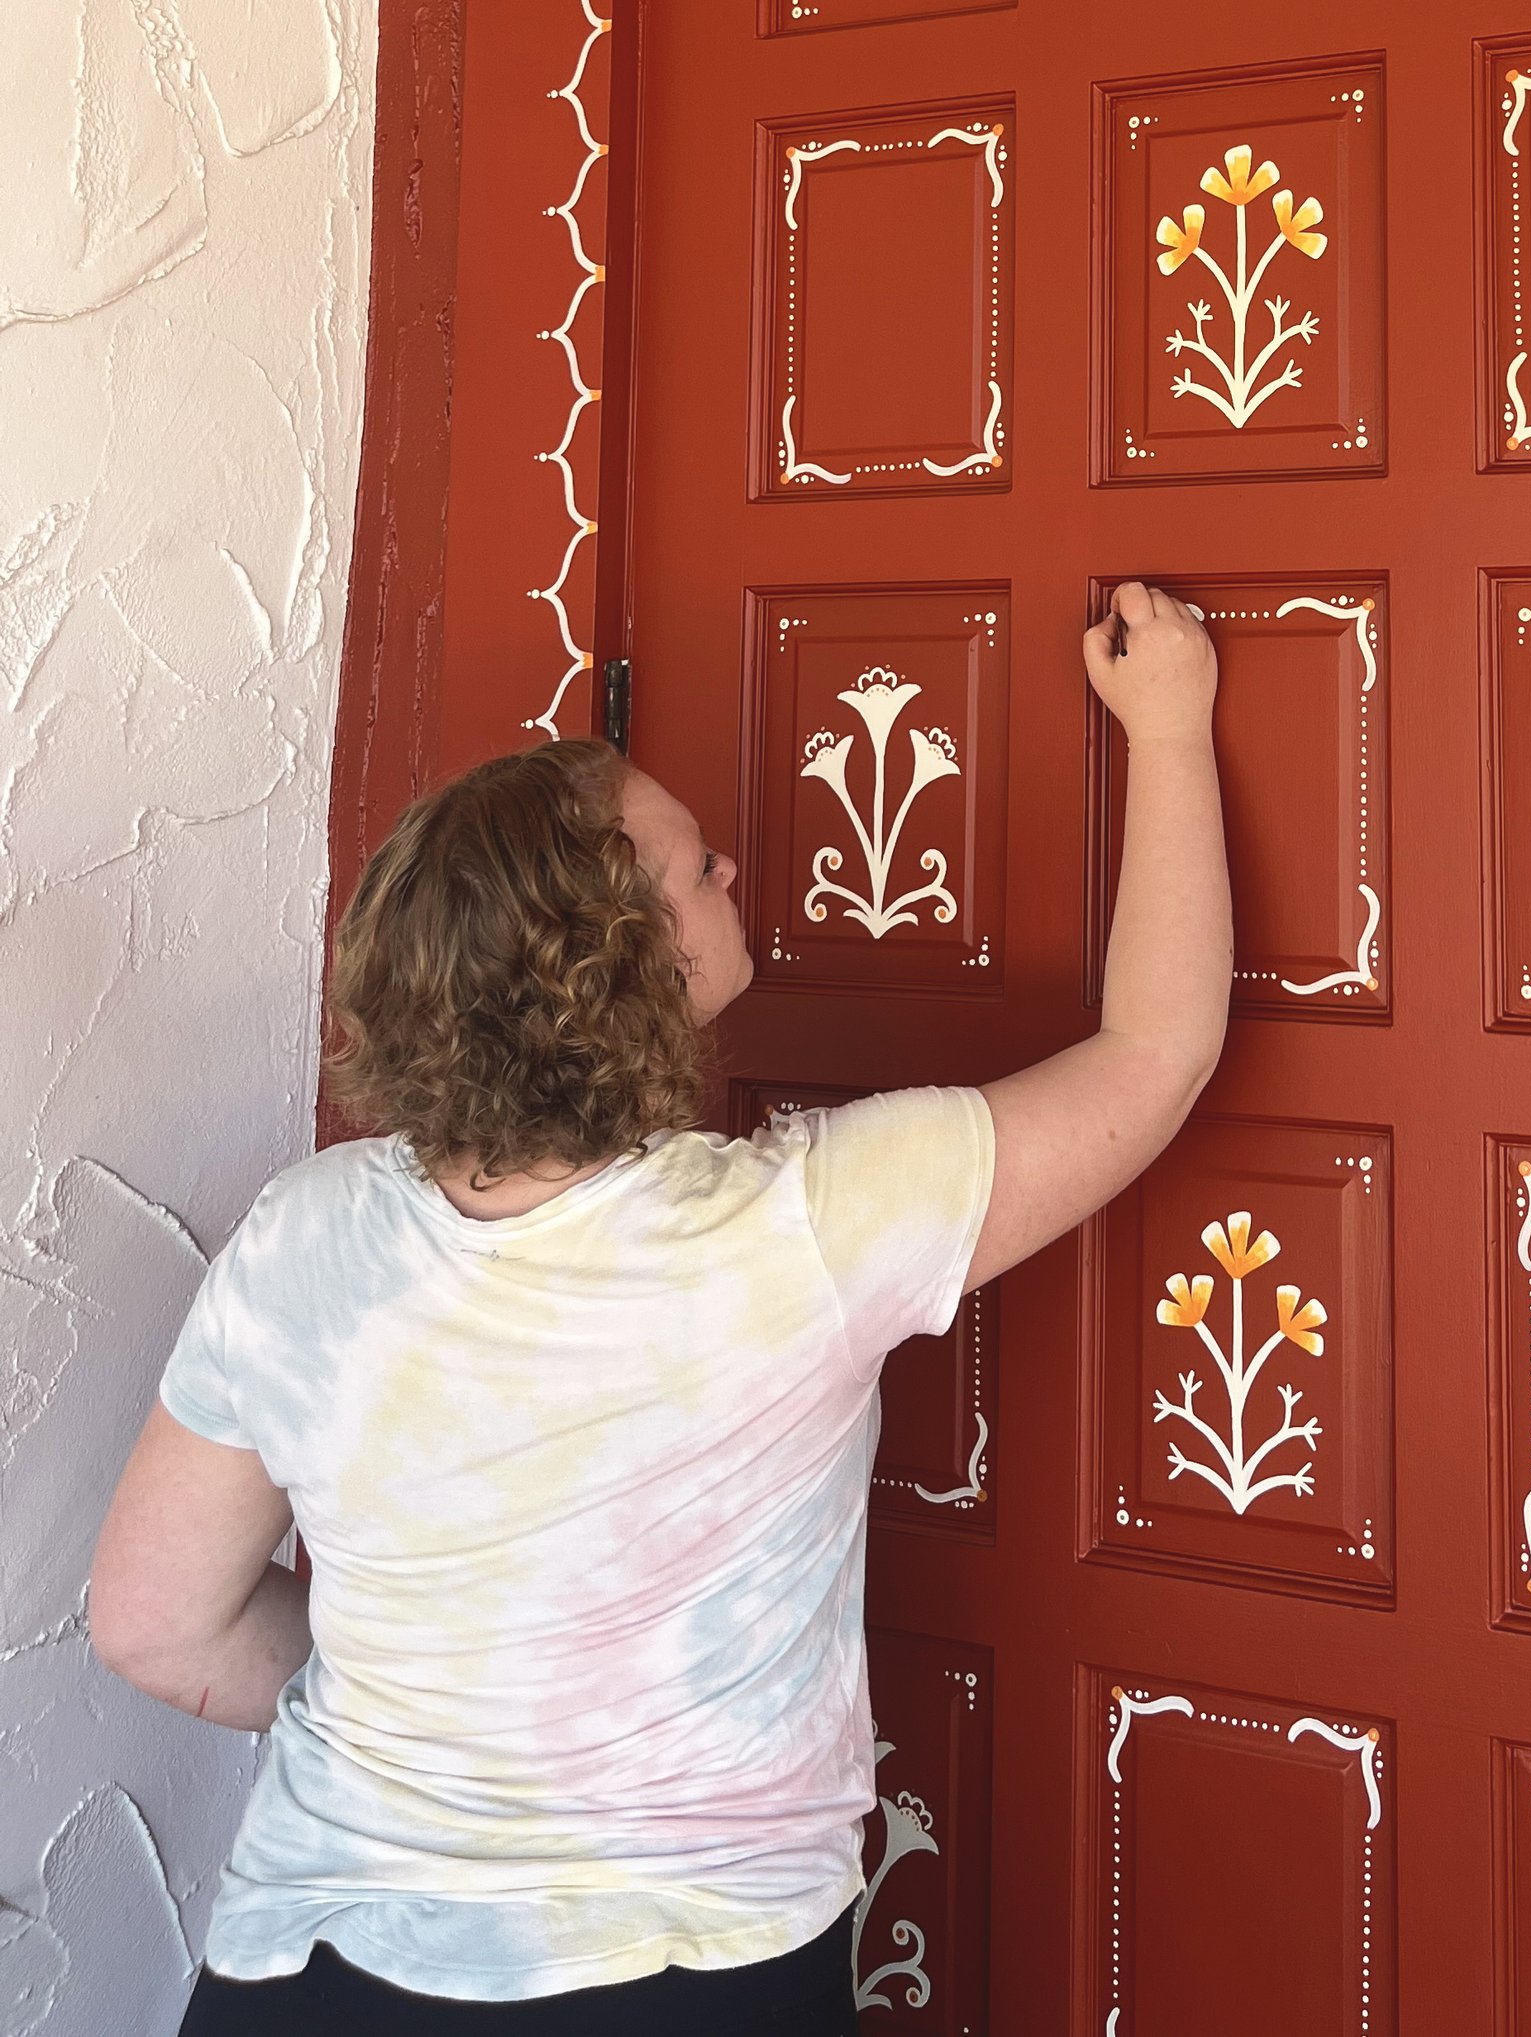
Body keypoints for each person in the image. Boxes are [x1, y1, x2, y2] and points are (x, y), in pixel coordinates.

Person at [88, 584, 1227, 2029]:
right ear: (621, 963)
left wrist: (440, 1717)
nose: (731, 865)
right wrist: (1171, 725)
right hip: (679, 1977)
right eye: (696, 867)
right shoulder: (804, 1225)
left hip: (311, 1976)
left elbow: (152, 1625)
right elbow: (1156, 1052)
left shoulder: (303, 1233)